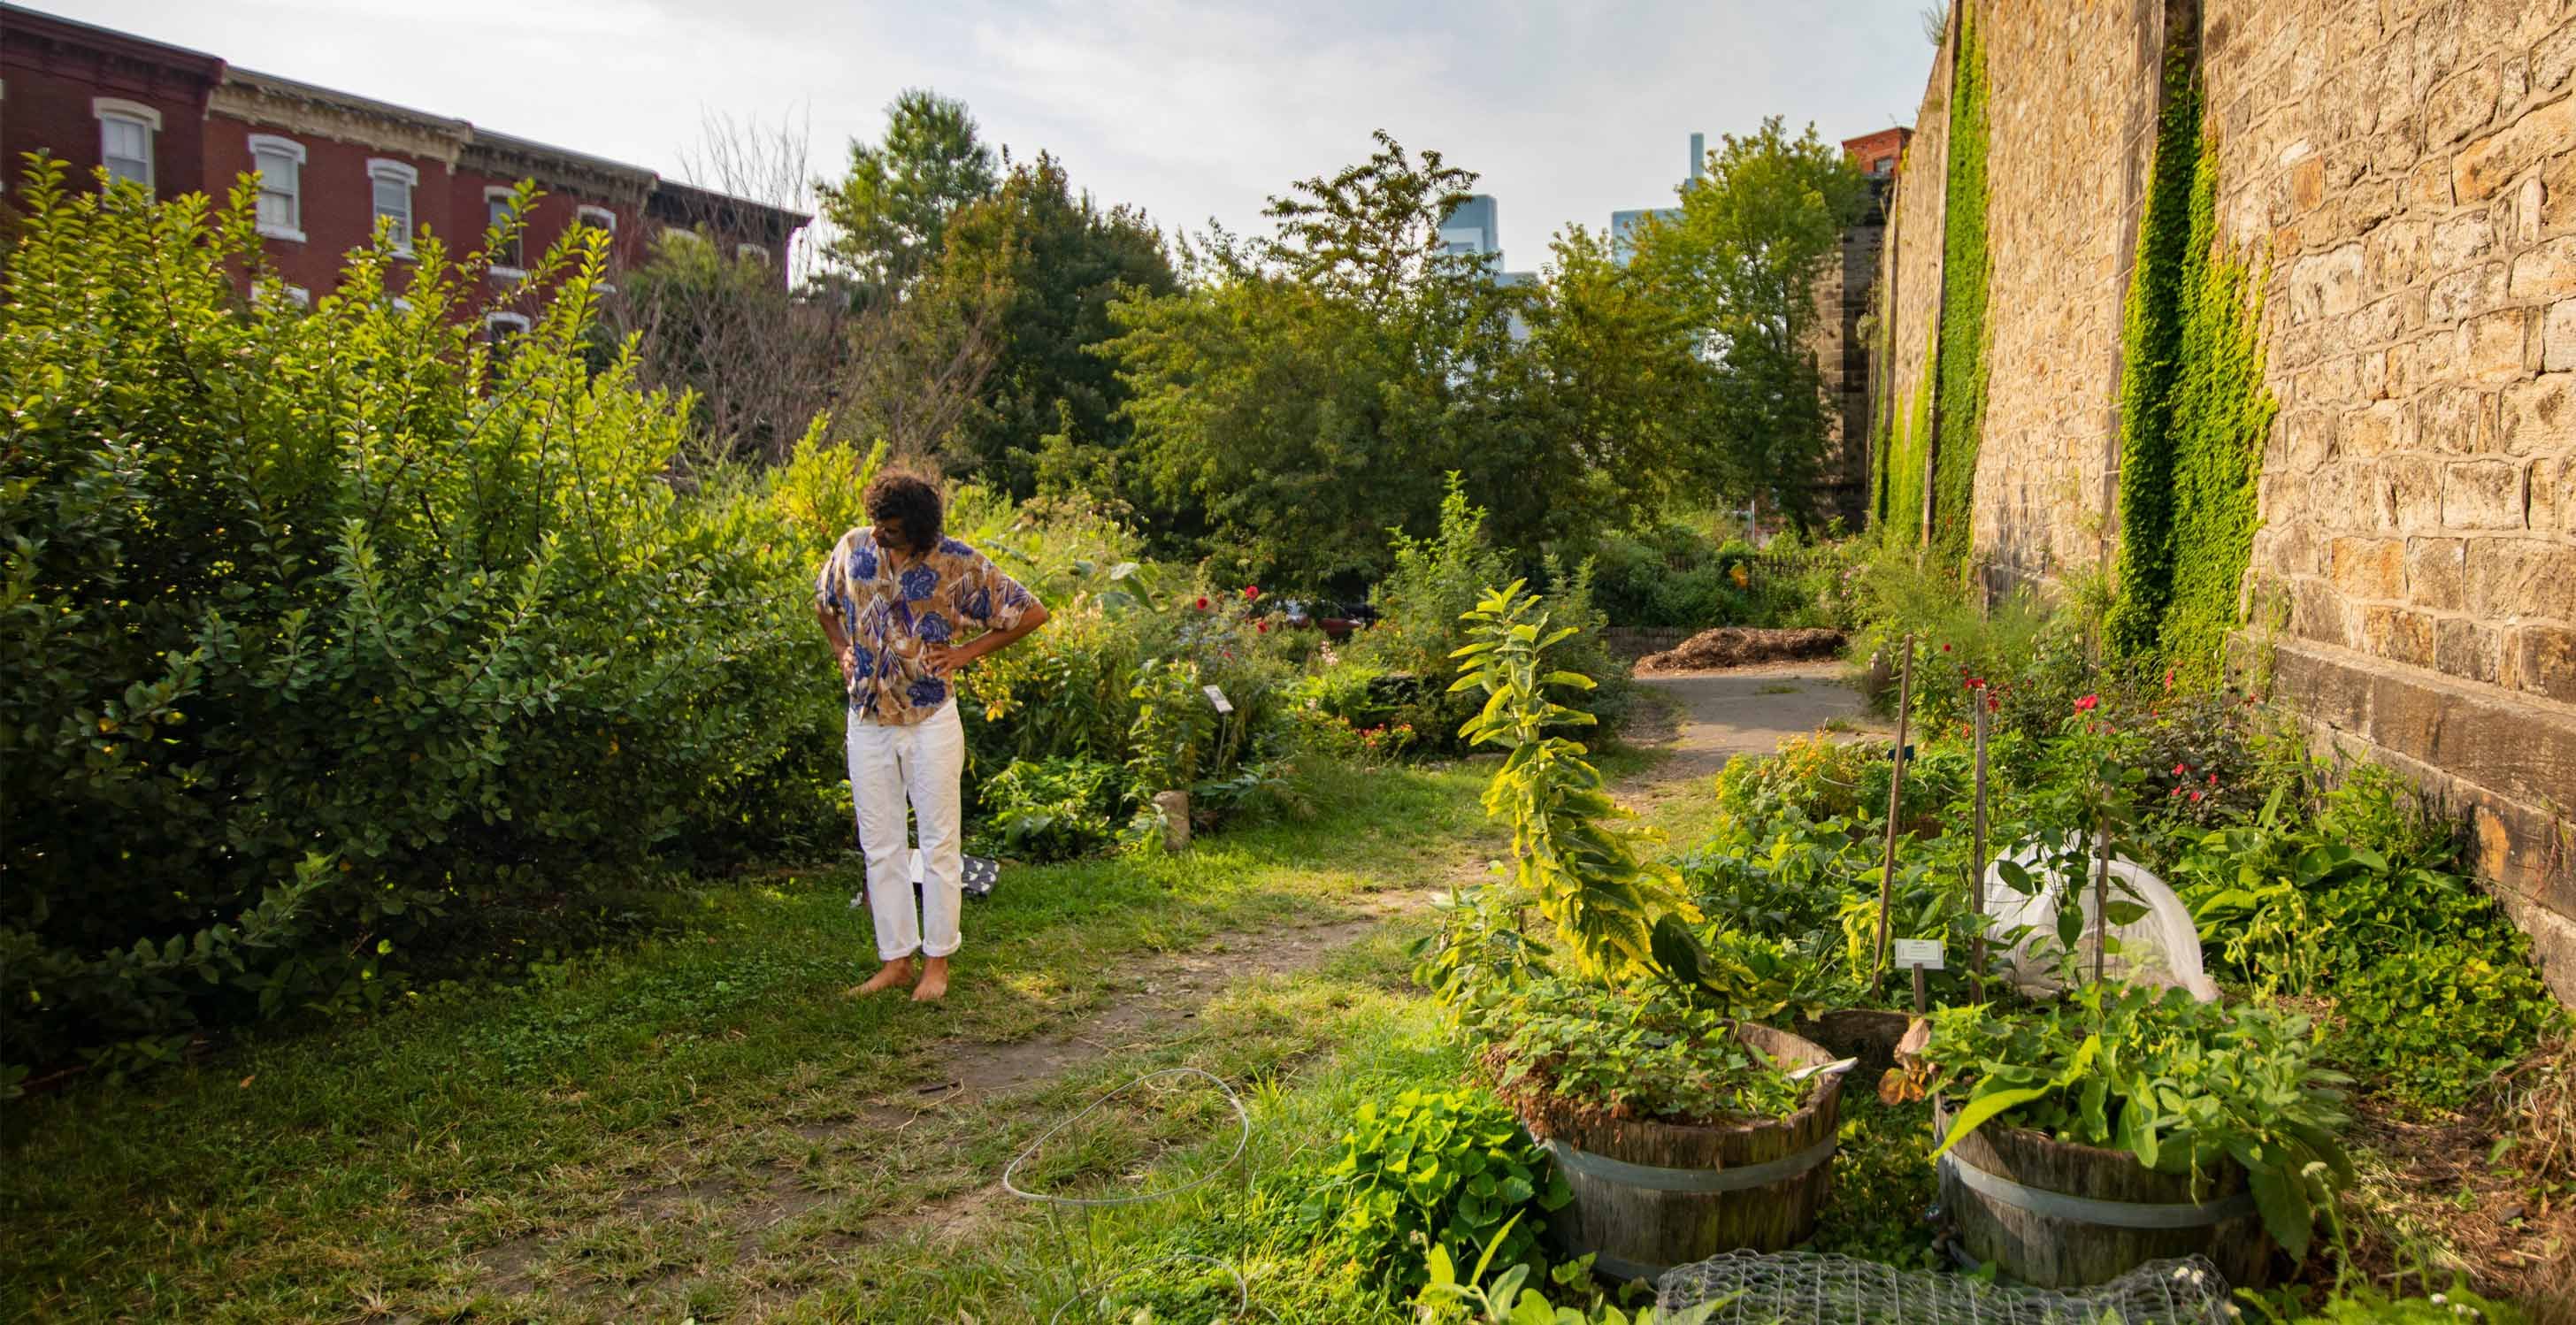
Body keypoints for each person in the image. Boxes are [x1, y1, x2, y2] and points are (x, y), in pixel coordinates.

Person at [815, 471, 1050, 1001]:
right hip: (867, 718)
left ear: (919, 529)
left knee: (940, 843)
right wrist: (841, 649)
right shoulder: (854, 547)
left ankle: (937, 964)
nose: (880, 535)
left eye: (892, 529)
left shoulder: (956, 562)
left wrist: (965, 654)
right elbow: (825, 604)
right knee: (881, 845)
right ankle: (896, 961)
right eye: (877, 522)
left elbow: (1030, 612)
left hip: (930, 720)